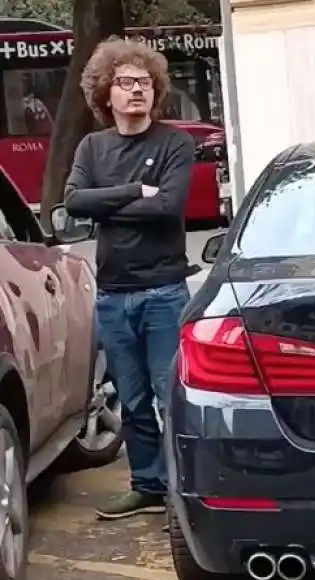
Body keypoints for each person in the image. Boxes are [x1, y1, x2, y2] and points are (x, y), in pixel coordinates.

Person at [64, 36, 196, 520]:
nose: (136, 91)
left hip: (163, 291)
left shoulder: (175, 144)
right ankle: (147, 484)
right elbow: (74, 201)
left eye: (144, 82)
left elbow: (168, 207)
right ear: (106, 92)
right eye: (125, 83)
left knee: (171, 396)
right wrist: (134, 189)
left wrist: (110, 204)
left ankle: (184, 492)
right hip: (113, 296)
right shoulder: (92, 147)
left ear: (155, 90)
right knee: (134, 401)